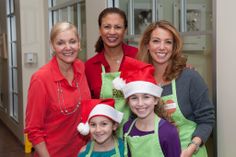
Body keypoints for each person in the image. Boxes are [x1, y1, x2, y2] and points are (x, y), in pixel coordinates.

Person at [136, 20, 215, 157]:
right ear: (147, 45)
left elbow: (206, 120)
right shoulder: (141, 81)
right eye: (156, 41)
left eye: (168, 42)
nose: (162, 47)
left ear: (174, 47)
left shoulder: (189, 78)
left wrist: (192, 148)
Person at [25, 22, 91, 157]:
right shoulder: (41, 79)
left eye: (72, 41)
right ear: (52, 46)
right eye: (60, 43)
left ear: (79, 44)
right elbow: (34, 130)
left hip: (82, 152)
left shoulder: (80, 67)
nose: (67, 47)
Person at [112, 58, 181, 157]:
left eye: (146, 97)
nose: (140, 103)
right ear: (128, 102)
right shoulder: (127, 128)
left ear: (156, 100)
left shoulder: (168, 131)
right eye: (134, 98)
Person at [85, 7, 138, 137]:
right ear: (100, 29)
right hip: (103, 138)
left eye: (118, 27)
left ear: (125, 30)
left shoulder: (138, 57)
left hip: (137, 134)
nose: (112, 32)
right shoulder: (90, 66)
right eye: (107, 27)